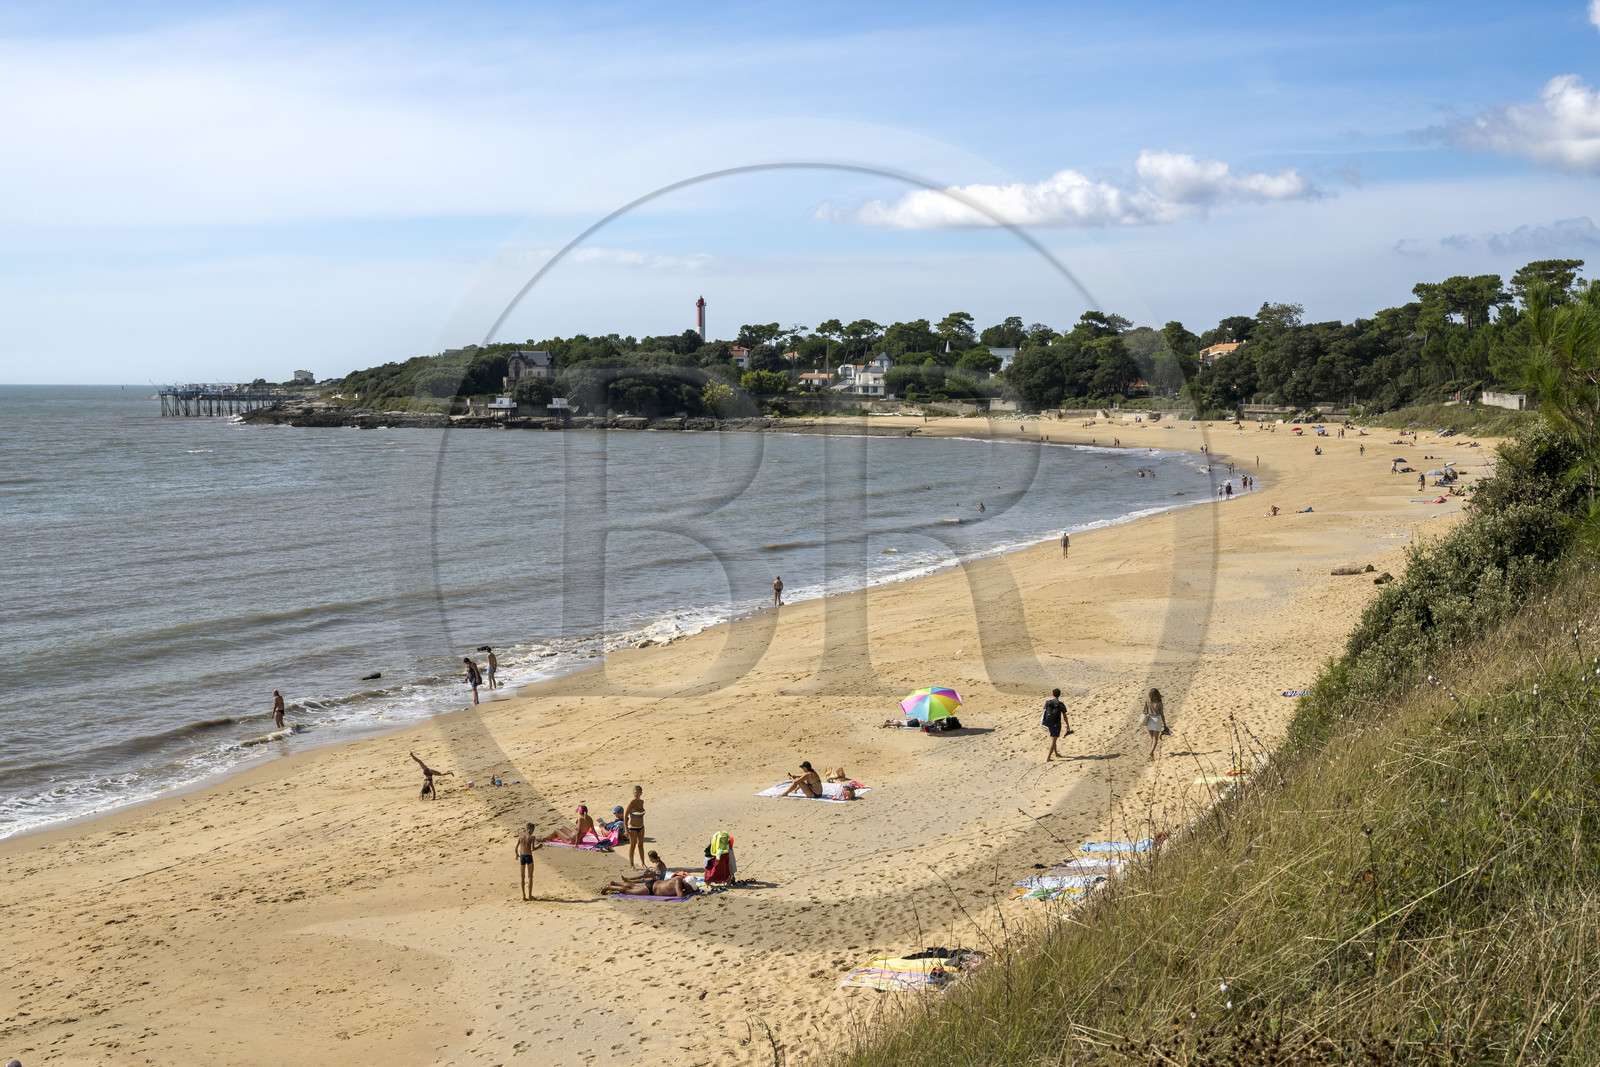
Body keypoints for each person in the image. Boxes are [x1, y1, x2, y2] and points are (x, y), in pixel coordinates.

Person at [602, 873, 696, 897]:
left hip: (654, 884)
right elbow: (680, 895)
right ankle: (609, 887)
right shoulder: (678, 882)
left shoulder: (679, 878)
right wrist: (690, 891)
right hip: (652, 889)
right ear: (687, 884)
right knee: (629, 891)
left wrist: (690, 889)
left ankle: (615, 883)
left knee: (633, 886)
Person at [1041, 687, 1071, 761]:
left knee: (1053, 738)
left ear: (1053, 694)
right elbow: (1065, 716)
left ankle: (1056, 753)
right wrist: (1067, 725)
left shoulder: (1048, 702)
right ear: (1059, 695)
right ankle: (1048, 758)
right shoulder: (1061, 704)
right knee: (1054, 740)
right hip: (1056, 723)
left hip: (1049, 722)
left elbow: (1045, 712)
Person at [515, 822, 542, 901]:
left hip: (522, 857)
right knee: (530, 877)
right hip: (529, 857)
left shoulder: (520, 837)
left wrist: (516, 855)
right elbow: (532, 849)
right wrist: (539, 847)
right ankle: (530, 896)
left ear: (525, 829)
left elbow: (516, 847)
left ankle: (523, 896)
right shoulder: (532, 837)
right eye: (533, 830)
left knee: (522, 877)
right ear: (530, 830)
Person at [624, 785, 646, 867]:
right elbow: (625, 815)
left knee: (641, 845)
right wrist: (626, 829)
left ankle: (643, 863)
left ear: (641, 793)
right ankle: (632, 865)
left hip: (641, 827)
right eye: (635, 793)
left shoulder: (642, 802)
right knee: (632, 846)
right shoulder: (631, 803)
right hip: (632, 828)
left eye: (638, 793)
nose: (636, 794)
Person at [1143, 688, 1168, 761]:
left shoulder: (1148, 701)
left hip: (1149, 720)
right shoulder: (1159, 703)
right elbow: (1162, 714)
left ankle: (1152, 757)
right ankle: (1151, 752)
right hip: (1156, 720)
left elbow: (1144, 711)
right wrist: (1165, 725)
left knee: (1151, 739)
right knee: (1155, 739)